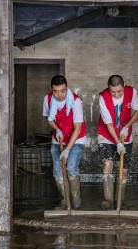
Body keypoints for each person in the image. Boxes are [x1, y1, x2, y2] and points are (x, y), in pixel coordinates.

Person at [97, 75, 138, 210]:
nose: (116, 94)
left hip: (125, 134)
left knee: (124, 170)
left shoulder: (132, 92)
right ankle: (108, 200)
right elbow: (109, 124)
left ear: (123, 87)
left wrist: (127, 126)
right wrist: (118, 143)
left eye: (119, 91)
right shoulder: (103, 97)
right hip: (106, 134)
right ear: (108, 88)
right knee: (107, 165)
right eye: (113, 92)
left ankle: (120, 202)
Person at [43, 75, 87, 210]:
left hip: (77, 138)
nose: (59, 95)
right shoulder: (48, 99)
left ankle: (76, 201)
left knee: (71, 168)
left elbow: (78, 127)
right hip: (58, 139)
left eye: (62, 90)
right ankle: (65, 200)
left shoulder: (76, 101)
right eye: (56, 91)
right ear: (52, 89)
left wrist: (68, 149)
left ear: (66, 88)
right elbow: (49, 118)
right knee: (57, 171)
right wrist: (57, 130)